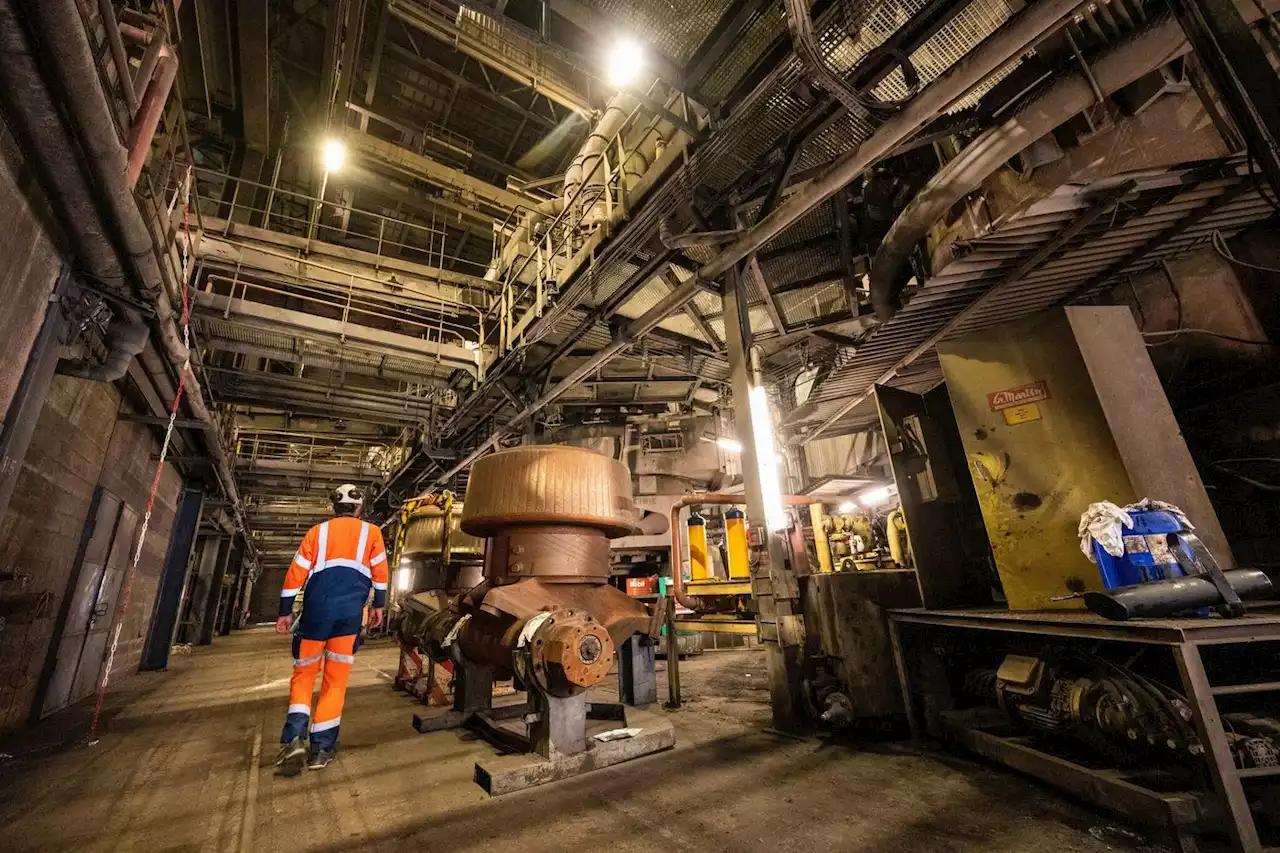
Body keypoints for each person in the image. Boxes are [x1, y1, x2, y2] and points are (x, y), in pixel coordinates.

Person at [273, 484, 388, 774]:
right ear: (360, 508)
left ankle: (296, 738)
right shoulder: (371, 533)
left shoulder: (317, 532)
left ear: (332, 508)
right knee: (335, 681)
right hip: (349, 616)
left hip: (315, 612)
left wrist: (285, 612)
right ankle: (321, 750)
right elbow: (382, 574)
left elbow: (295, 573)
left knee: (303, 674)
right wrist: (378, 606)